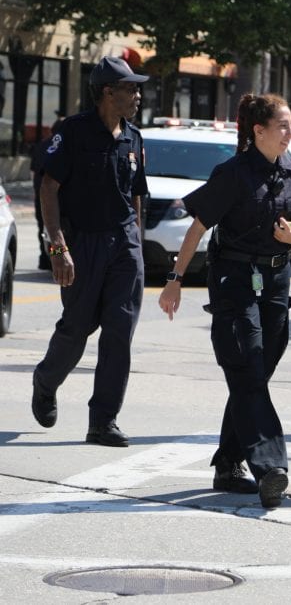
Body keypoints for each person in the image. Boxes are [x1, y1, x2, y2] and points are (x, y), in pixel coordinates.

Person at [158, 93, 291, 509]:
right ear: (258, 131)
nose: (289, 132)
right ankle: (269, 466)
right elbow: (197, 227)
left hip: (276, 280)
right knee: (246, 362)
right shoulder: (232, 173)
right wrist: (174, 279)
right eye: (282, 125)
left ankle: (227, 464)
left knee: (257, 372)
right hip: (235, 279)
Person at [30, 56, 149, 447]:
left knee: (119, 331)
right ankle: (46, 381)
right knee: (78, 327)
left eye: (137, 87)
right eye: (130, 87)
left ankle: (103, 420)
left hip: (124, 243)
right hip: (82, 243)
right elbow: (49, 187)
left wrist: (137, 245)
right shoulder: (74, 132)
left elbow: (135, 197)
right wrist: (56, 245)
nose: (137, 94)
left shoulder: (134, 137)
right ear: (106, 92)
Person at [30, 111, 66, 270]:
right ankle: (55, 258)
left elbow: (33, 173)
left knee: (43, 229)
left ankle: (46, 260)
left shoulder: (41, 146)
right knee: (59, 229)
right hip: (59, 197)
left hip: (40, 195)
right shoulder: (65, 146)